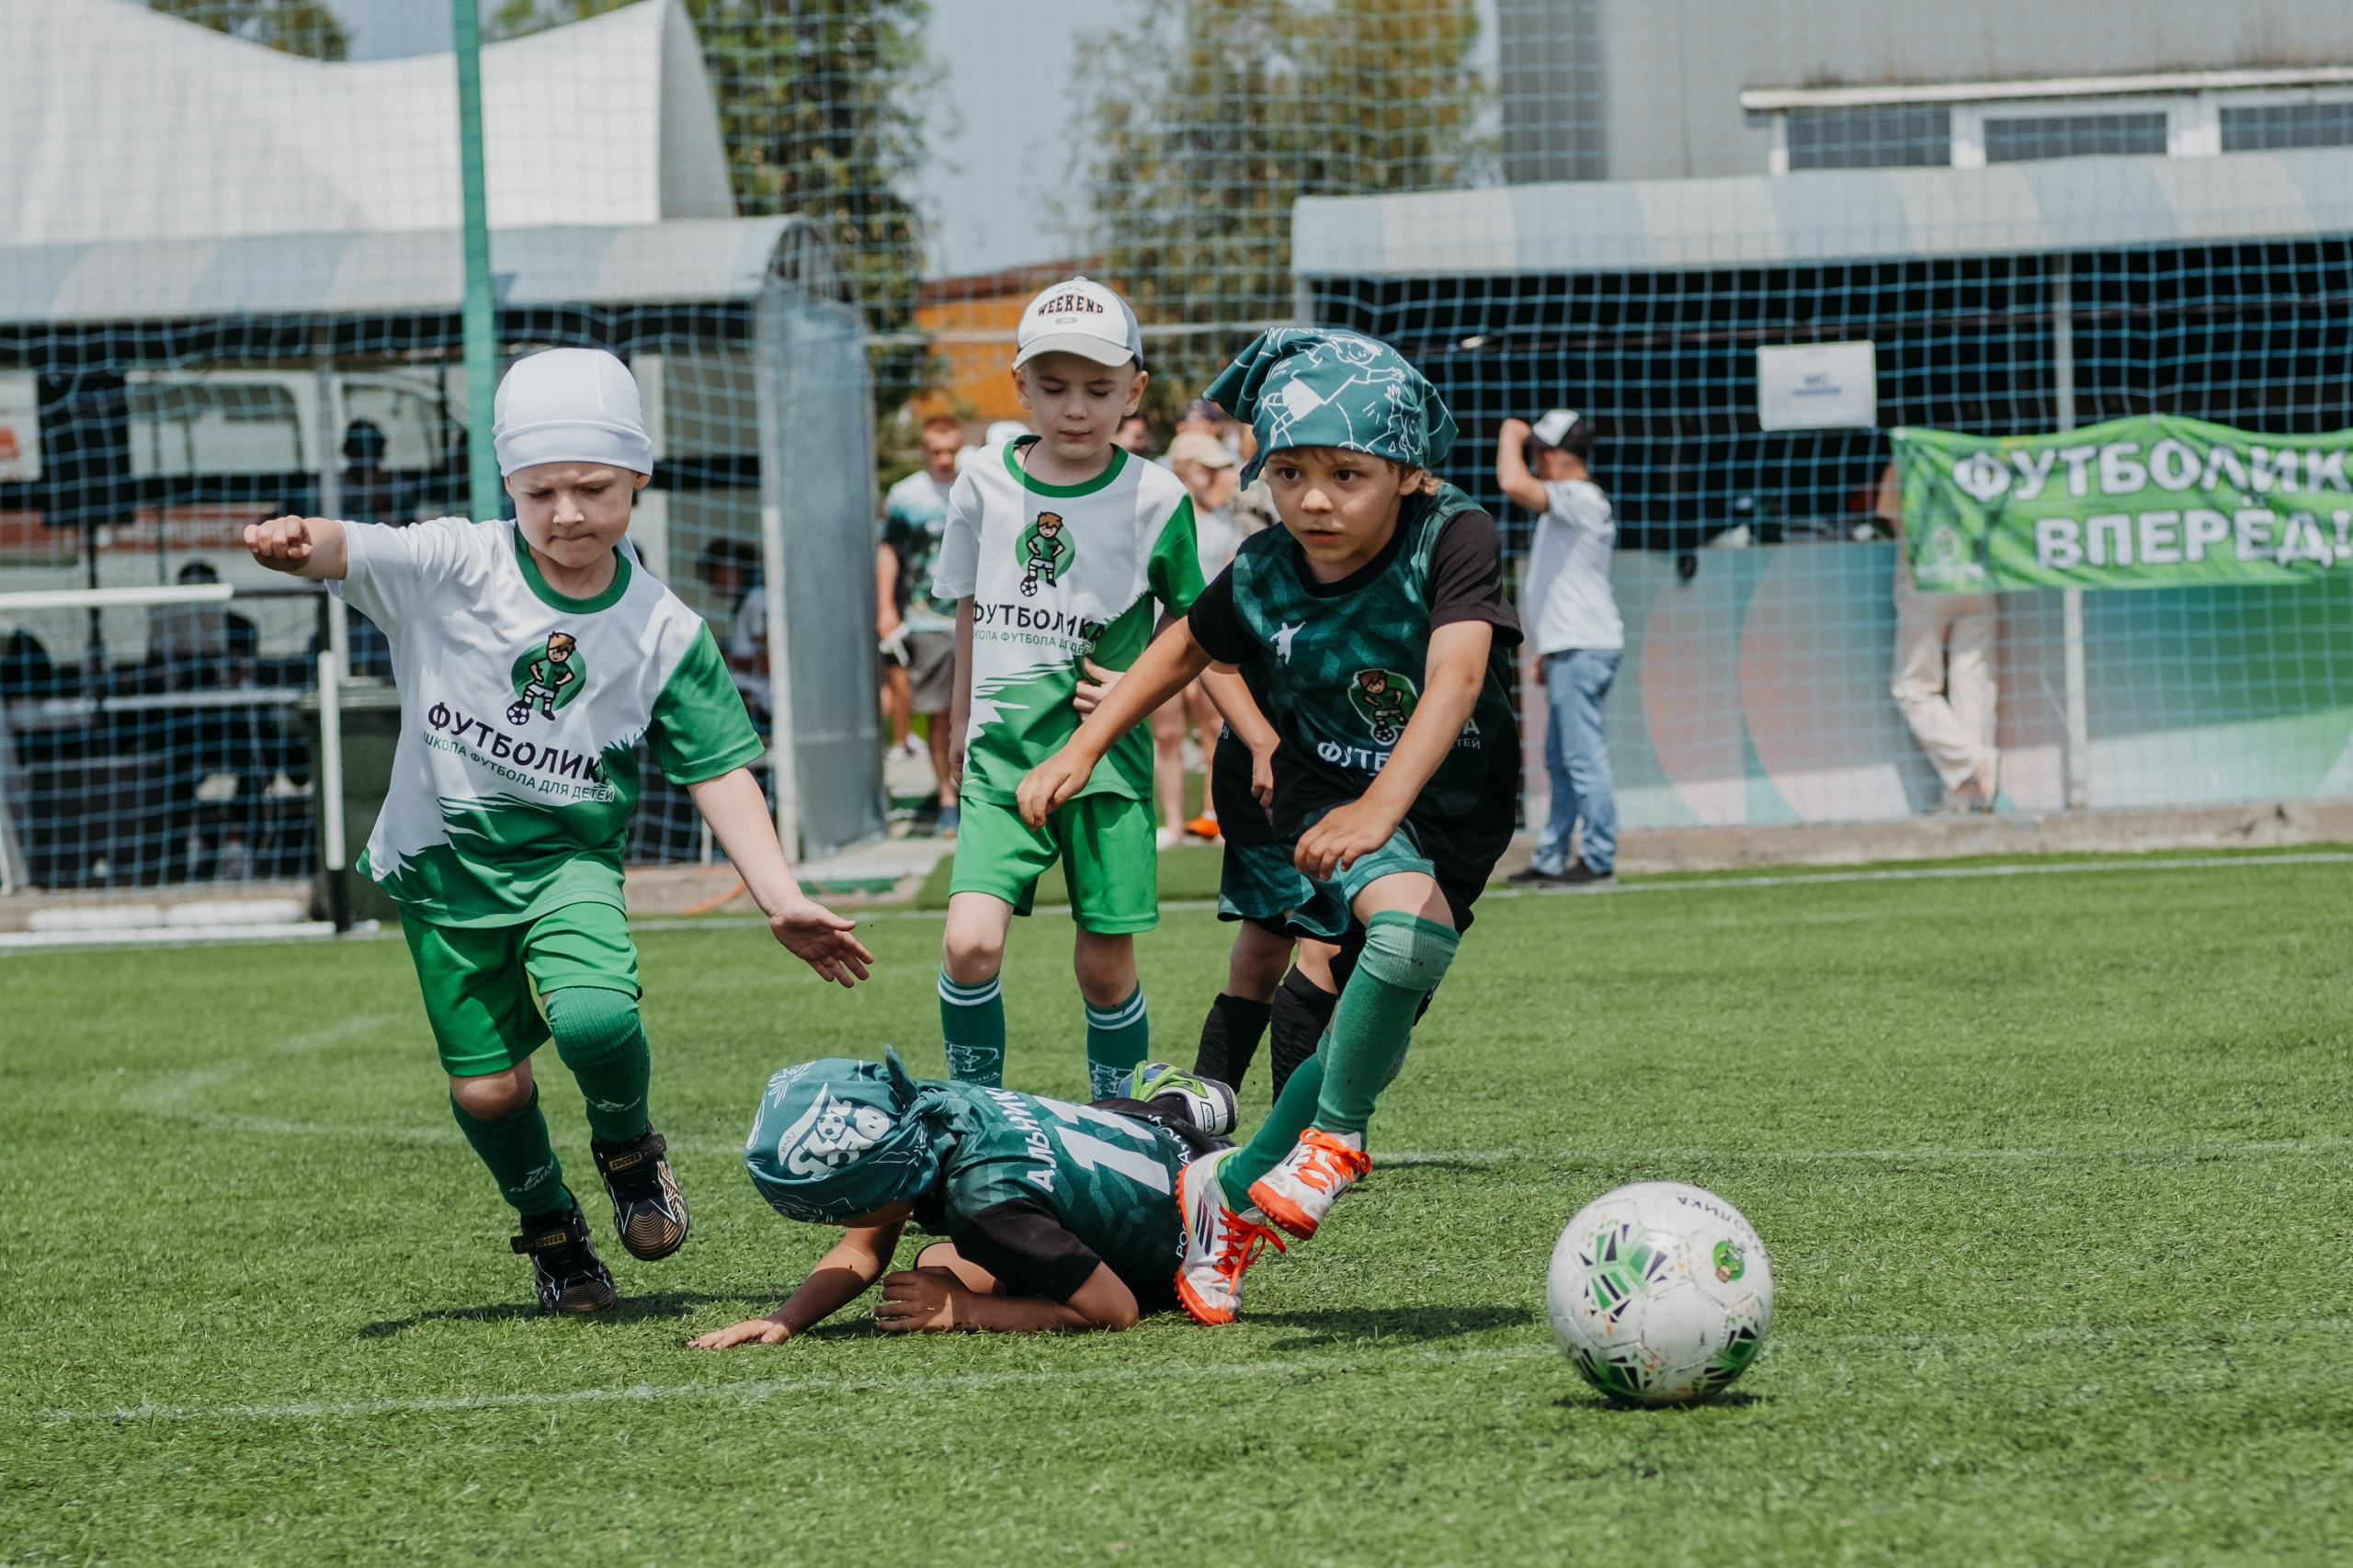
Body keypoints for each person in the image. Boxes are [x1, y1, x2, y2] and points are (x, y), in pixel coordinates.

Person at [243, 347, 874, 1314]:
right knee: (489, 1093)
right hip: (441, 874)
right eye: (541, 490)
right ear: (509, 482)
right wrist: (299, 538)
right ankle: (551, 1227)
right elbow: (354, 545)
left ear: (638, 476)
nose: (568, 511)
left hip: (564, 862)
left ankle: (628, 1148)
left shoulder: (663, 629)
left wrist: (780, 896)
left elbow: (717, 769)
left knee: (595, 1016)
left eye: (592, 486)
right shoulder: (455, 563)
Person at [1017, 327, 1523, 1324]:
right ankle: (1331, 1144)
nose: (1315, 499)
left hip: (1455, 807)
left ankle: (1226, 1197)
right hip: (1324, 792)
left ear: (1409, 473)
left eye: (1347, 473)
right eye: (1289, 472)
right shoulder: (1262, 566)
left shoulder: (1454, 535)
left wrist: (1390, 804)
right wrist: (1080, 749)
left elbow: (1459, 674)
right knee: (1406, 934)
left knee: (1356, 1031)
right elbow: (1179, 649)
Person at [929, 278, 1202, 1101]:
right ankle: (973, 1119)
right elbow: (971, 605)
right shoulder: (981, 482)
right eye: (1052, 387)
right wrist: (958, 716)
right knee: (969, 945)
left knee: (1104, 964)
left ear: (1135, 390)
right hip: (1002, 757)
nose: (1075, 408)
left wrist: (1137, 684)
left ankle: (1117, 1126)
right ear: (1020, 386)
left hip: (1108, 765)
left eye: (1097, 387)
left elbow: (1194, 625)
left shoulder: (1158, 497)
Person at [690, 1053, 1233, 1344]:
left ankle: (1187, 1113)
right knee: (931, 1266)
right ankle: (1172, 1104)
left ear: (876, 1191)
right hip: (1151, 1137)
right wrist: (785, 1319)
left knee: (947, 1272)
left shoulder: (984, 1206)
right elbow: (866, 1247)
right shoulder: (928, 1107)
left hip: (1197, 1231)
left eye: (839, 1210)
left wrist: (970, 1311)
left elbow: (1116, 1311)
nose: (843, 1224)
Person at [1497, 408, 1621, 888]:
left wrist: (1510, 435)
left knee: (1582, 758)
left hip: (1584, 646)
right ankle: (1552, 857)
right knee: (1561, 758)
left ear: (1549, 456)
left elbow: (1512, 482)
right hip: (1571, 647)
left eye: (1537, 454)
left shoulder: (1579, 496)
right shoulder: (1574, 499)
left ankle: (1598, 859)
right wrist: (1547, 652)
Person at [1881, 460, 2000, 811]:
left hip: (1926, 579)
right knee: (1973, 683)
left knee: (1912, 687)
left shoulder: (1906, 460)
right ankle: (1962, 798)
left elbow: (1890, 520)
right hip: (1977, 576)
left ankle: (1969, 761)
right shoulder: (1979, 459)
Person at [1151, 430, 1244, 846]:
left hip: (1211, 640)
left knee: (1216, 728)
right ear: (1189, 469)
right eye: (1208, 469)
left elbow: (1228, 578)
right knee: (1166, 734)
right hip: (1164, 637)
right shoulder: (1159, 519)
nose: (1216, 477)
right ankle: (1172, 823)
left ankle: (1214, 817)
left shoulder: (1224, 522)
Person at [879, 415, 964, 832]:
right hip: (926, 618)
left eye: (951, 450)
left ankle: (978, 793)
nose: (945, 459)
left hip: (976, 616)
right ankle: (948, 799)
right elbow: (889, 551)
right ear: (924, 451)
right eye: (936, 452)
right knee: (939, 713)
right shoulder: (906, 496)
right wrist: (885, 608)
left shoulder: (978, 484)